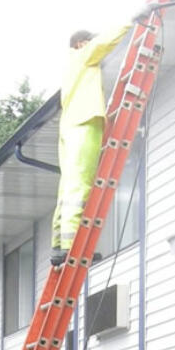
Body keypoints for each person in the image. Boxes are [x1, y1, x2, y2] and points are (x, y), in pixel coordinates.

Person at [52, 25, 129, 258]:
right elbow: (102, 44)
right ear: (81, 44)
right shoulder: (81, 56)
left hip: (70, 125)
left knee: (68, 187)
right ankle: (73, 248)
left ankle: (59, 245)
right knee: (81, 184)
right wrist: (131, 21)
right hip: (85, 121)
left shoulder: (71, 69)